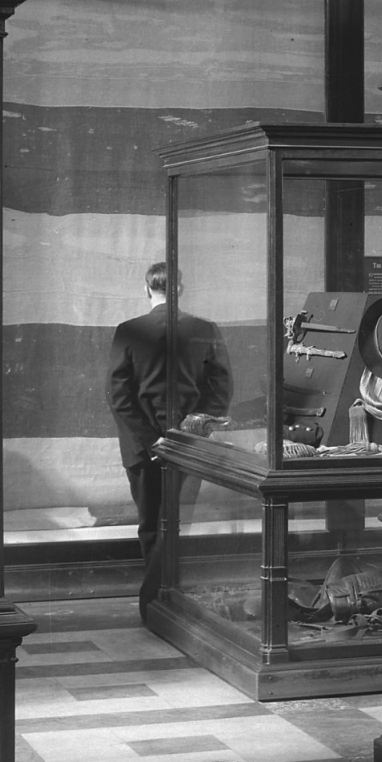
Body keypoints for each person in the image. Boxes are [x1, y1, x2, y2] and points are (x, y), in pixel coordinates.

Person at [107, 262, 232, 616]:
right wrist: (189, 431)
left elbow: (118, 396)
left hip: (142, 449)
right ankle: (165, 601)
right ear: (180, 289)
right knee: (177, 526)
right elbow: (221, 389)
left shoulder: (129, 330)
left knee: (150, 526)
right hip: (189, 447)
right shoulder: (204, 328)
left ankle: (155, 604)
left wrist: (152, 441)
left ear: (147, 289)